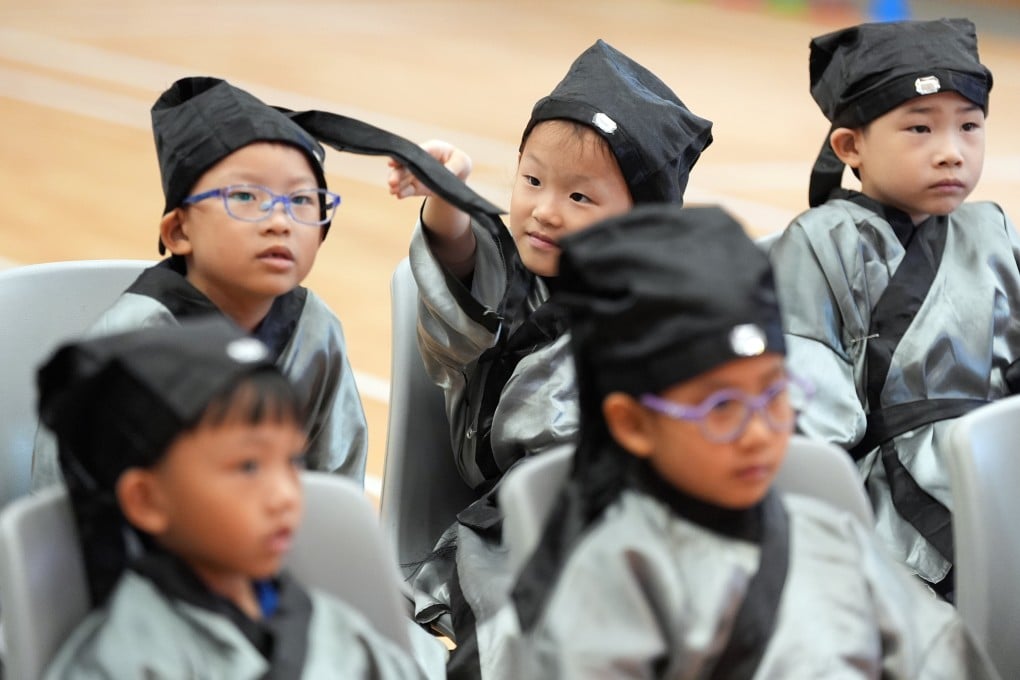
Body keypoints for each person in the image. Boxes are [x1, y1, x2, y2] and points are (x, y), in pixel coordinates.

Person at [498, 204, 1001, 679]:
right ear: (632, 424)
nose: (760, 433)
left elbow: (938, 655)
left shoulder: (832, 533)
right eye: (721, 409)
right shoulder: (615, 579)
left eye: (774, 394)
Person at [386, 39, 713, 675]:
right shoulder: (511, 277)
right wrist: (446, 197)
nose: (544, 210)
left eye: (580, 198)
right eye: (532, 180)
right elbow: (459, 256)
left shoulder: (664, 302)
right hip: (517, 528)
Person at [31, 76, 501, 490]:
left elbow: (335, 488)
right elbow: (74, 509)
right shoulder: (134, 339)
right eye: (245, 196)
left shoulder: (314, 329)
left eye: (302, 199)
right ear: (178, 231)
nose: (280, 220)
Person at [768, 18, 1020, 601]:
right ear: (850, 145)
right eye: (919, 128)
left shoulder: (992, 228)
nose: (951, 153)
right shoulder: (820, 240)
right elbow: (810, 402)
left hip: (1001, 465)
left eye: (969, 127)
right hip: (892, 496)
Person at [36, 318, 428, 679]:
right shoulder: (127, 661)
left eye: (293, 461)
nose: (285, 496)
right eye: (248, 467)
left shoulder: (324, 620)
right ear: (147, 501)